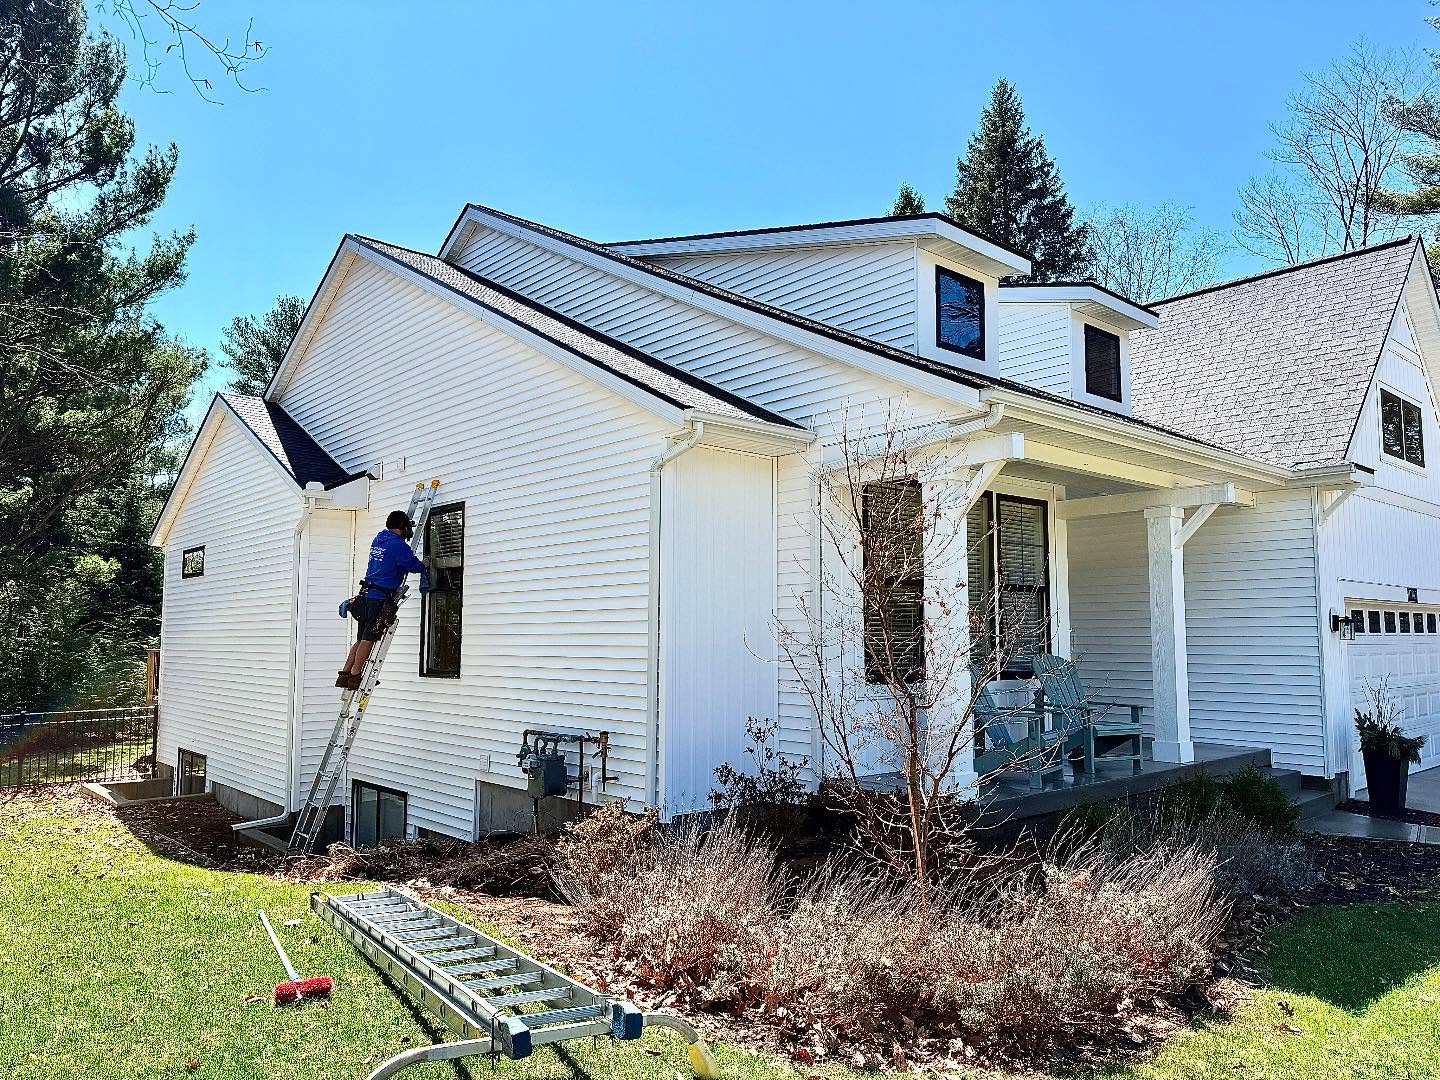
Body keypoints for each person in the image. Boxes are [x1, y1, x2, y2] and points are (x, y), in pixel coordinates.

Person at [336, 509, 427, 690]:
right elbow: (411, 564)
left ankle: (345, 675)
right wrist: (424, 565)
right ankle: (355, 677)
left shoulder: (379, 539)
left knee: (361, 638)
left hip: (365, 596)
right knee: (369, 639)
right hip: (378, 598)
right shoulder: (398, 545)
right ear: (403, 527)